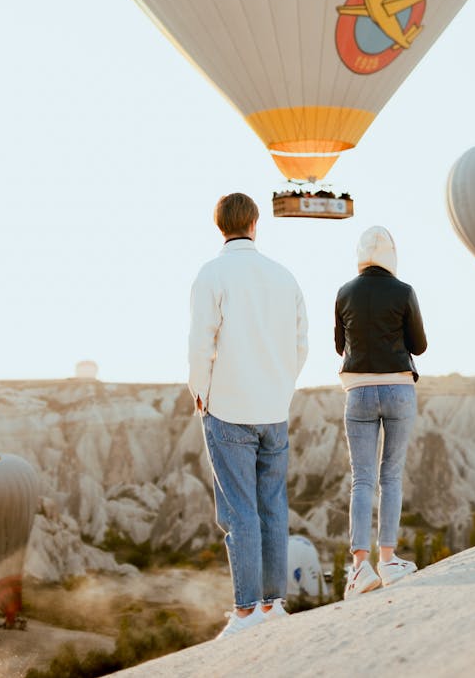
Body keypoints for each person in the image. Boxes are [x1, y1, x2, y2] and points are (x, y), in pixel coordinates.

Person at [188, 192, 308, 637]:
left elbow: (201, 339)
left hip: (229, 408)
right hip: (273, 409)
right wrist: (282, 384)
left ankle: (245, 611)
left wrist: (200, 390)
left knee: (240, 511)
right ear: (255, 223)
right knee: (273, 506)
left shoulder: (212, 274)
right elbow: (301, 342)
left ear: (220, 226)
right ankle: (275, 604)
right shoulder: (283, 276)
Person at [334, 225, 427, 599]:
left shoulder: (344, 293)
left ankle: (360, 568)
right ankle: (388, 559)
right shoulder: (404, 291)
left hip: (357, 390)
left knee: (362, 479)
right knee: (391, 475)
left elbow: (339, 344)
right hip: (399, 389)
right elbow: (418, 346)